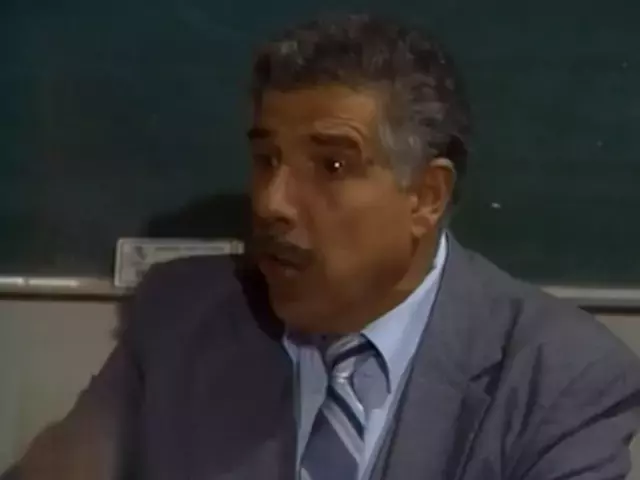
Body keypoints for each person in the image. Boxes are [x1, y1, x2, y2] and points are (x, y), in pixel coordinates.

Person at [3, 13, 640, 480]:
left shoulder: (560, 376)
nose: (271, 202)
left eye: (331, 166)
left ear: (426, 196)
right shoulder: (180, 315)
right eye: (265, 159)